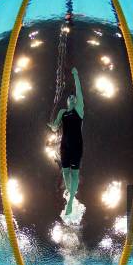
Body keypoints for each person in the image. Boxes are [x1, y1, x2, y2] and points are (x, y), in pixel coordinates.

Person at [48, 67, 84, 216]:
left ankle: (70, 201)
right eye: (70, 98)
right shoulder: (63, 112)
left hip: (76, 146)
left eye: (74, 98)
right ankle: (70, 191)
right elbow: (56, 128)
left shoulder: (79, 110)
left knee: (74, 174)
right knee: (65, 172)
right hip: (64, 146)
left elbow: (79, 91)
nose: (73, 98)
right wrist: (52, 126)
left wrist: (76, 74)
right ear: (67, 100)